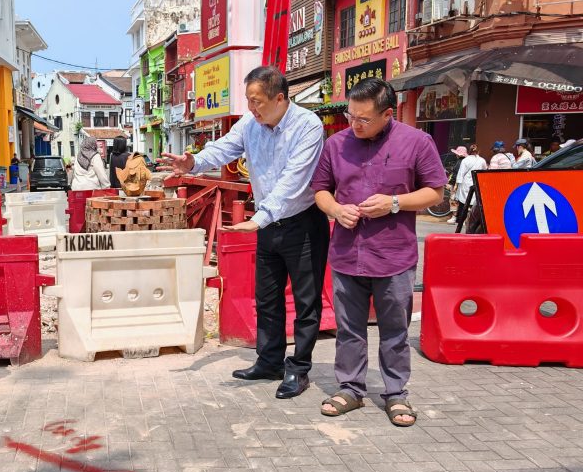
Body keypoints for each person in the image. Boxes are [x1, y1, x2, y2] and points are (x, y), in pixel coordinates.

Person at [158, 66, 329, 400]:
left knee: (306, 303)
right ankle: (269, 361)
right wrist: (191, 163)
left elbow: (294, 180)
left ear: (280, 98)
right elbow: (223, 148)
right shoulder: (251, 124)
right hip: (266, 224)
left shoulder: (308, 126)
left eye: (258, 102)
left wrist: (260, 217)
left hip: (302, 222)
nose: (253, 109)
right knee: (267, 297)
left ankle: (299, 368)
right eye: (249, 101)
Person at [311, 78, 447, 427]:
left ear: (389, 113)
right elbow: (321, 191)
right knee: (349, 329)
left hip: (394, 256)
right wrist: (336, 210)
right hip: (346, 254)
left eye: (364, 119)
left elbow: (435, 192)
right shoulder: (336, 145)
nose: (354, 124)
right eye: (350, 115)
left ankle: (396, 394)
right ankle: (350, 389)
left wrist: (395, 203)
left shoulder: (417, 142)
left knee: (395, 331)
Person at [451, 144, 486, 227]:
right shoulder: (482, 160)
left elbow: (461, 174)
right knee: (473, 203)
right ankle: (470, 220)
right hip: (476, 183)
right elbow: (484, 171)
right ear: (478, 151)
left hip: (465, 184)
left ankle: (462, 220)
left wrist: (457, 185)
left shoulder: (465, 160)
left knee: (464, 203)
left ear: (470, 151)